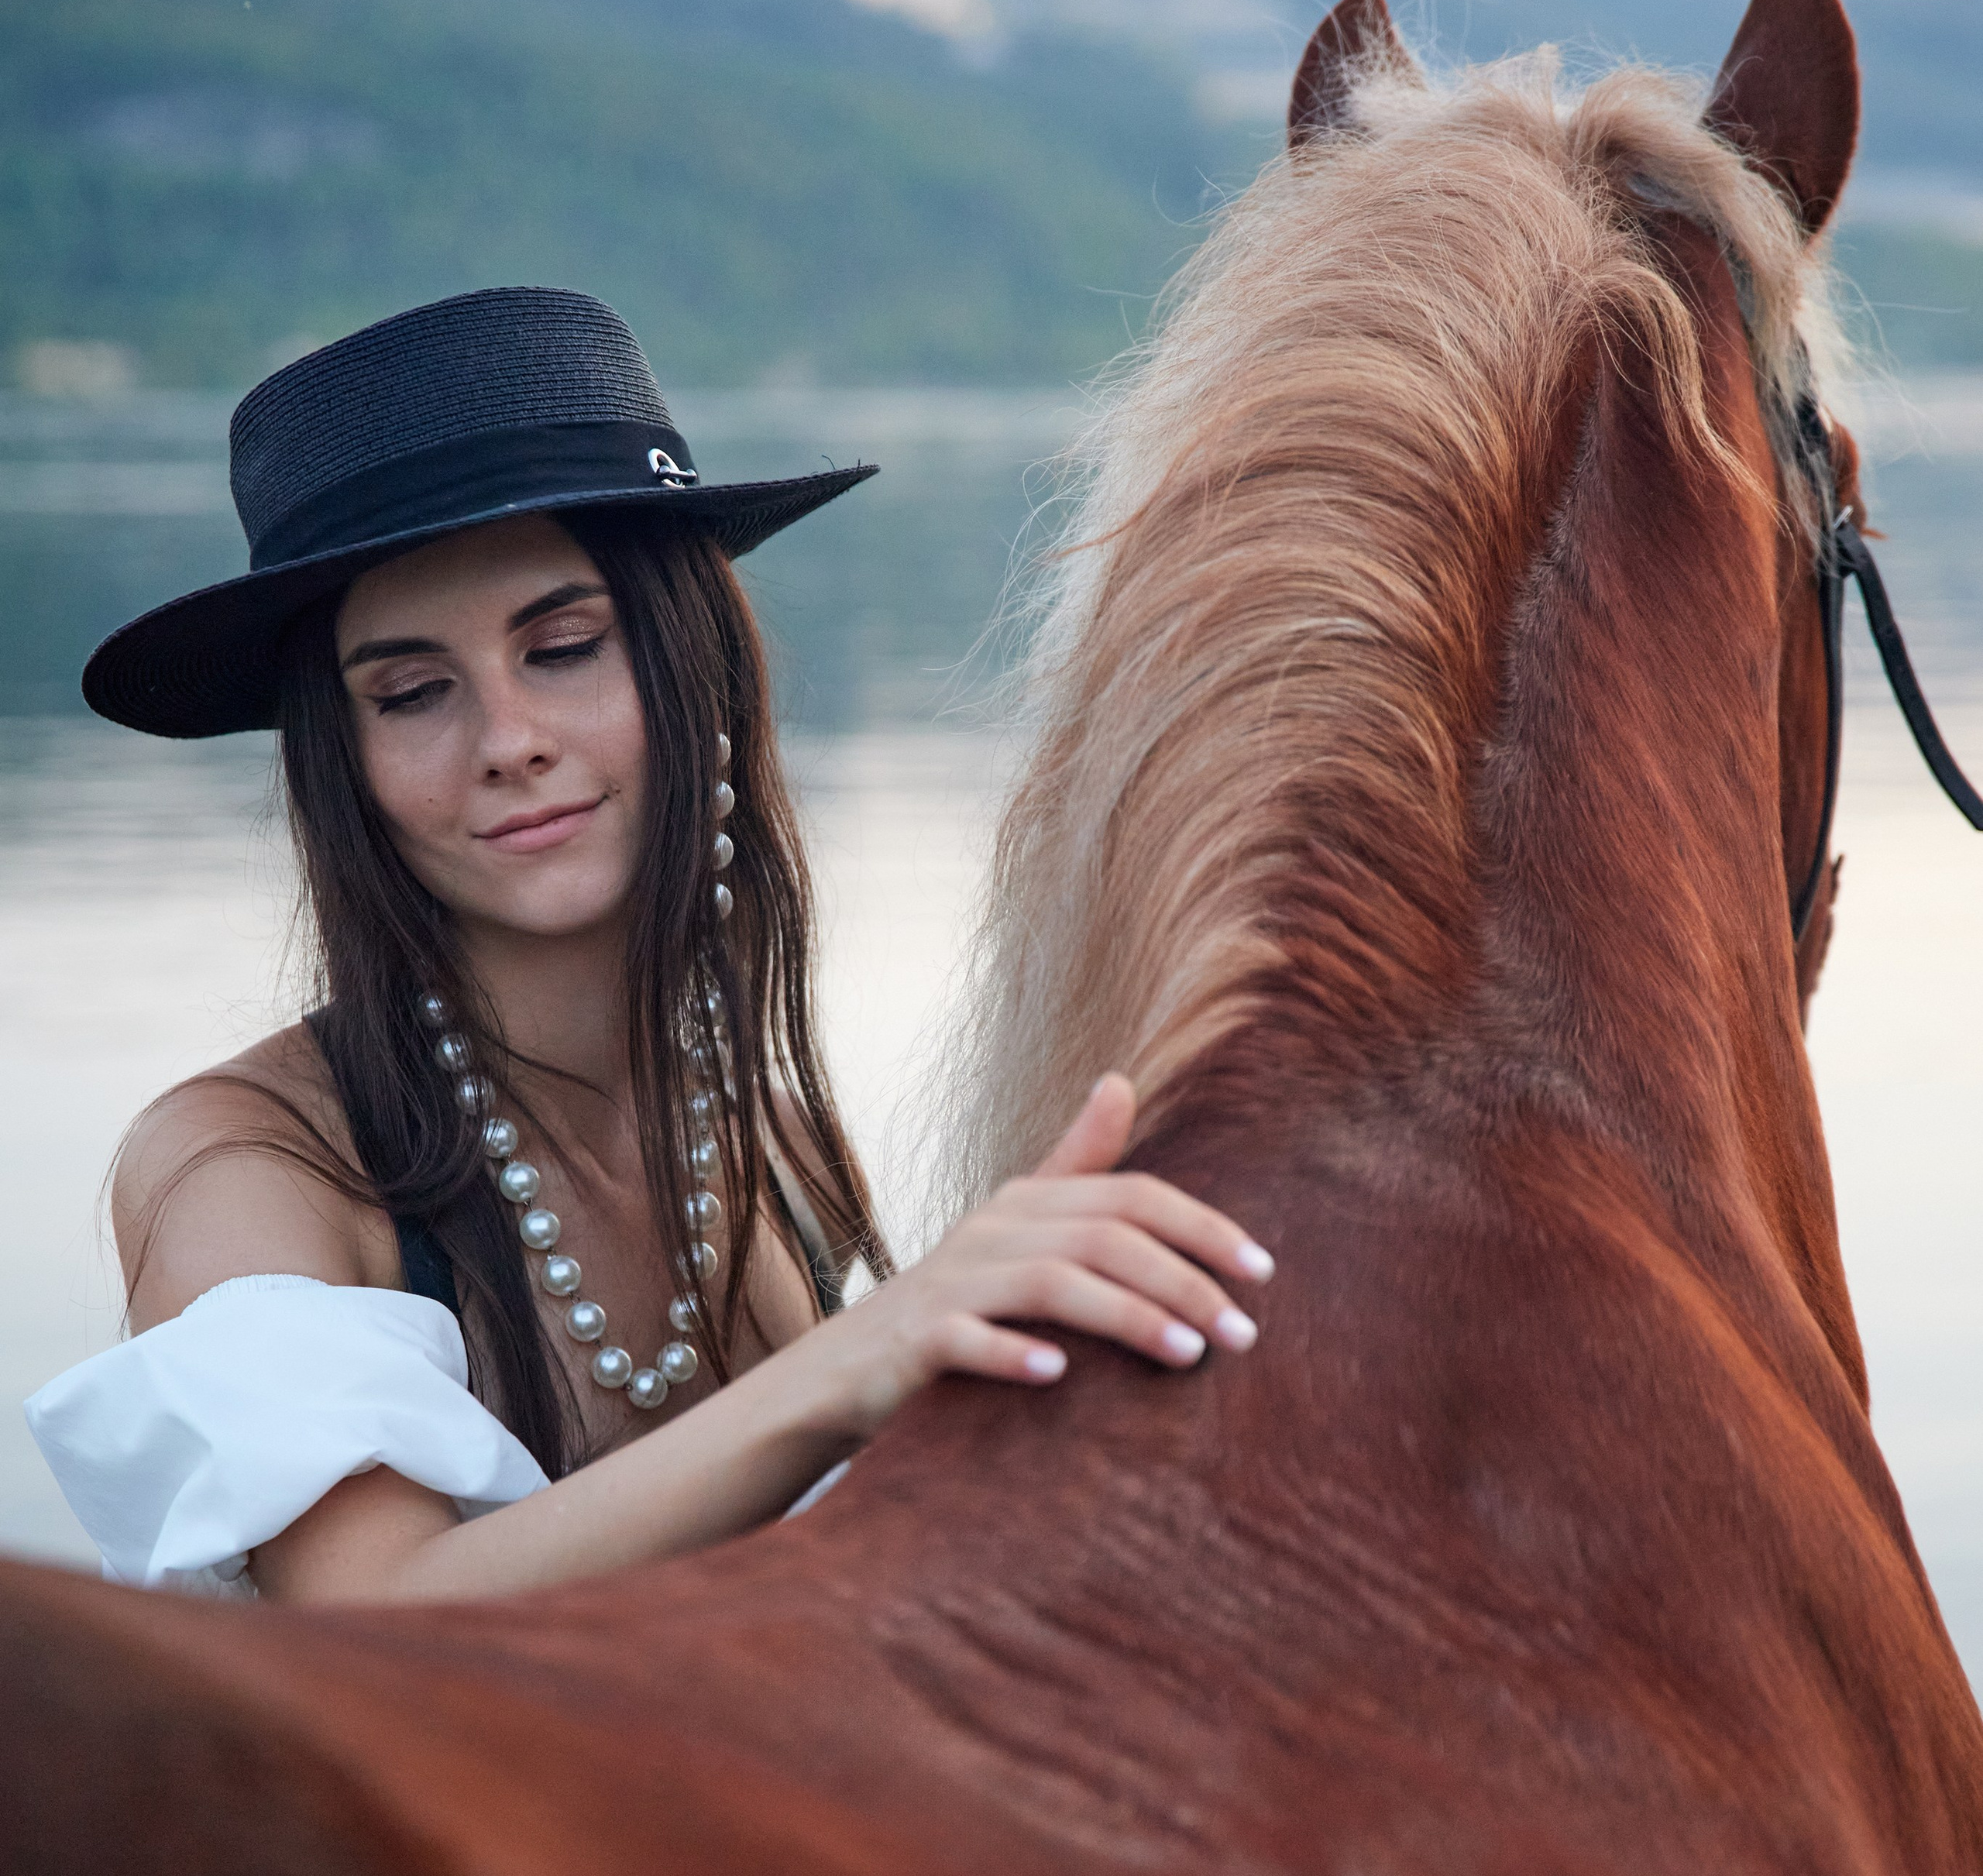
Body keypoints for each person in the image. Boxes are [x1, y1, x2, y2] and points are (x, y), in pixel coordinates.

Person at [27, 288, 1271, 1605]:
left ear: (695, 672)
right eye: (411, 692)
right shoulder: (249, 1167)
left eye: (562, 648)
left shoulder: (766, 1140)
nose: (508, 739)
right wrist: (848, 1371)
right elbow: (369, 1619)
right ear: (347, 770)